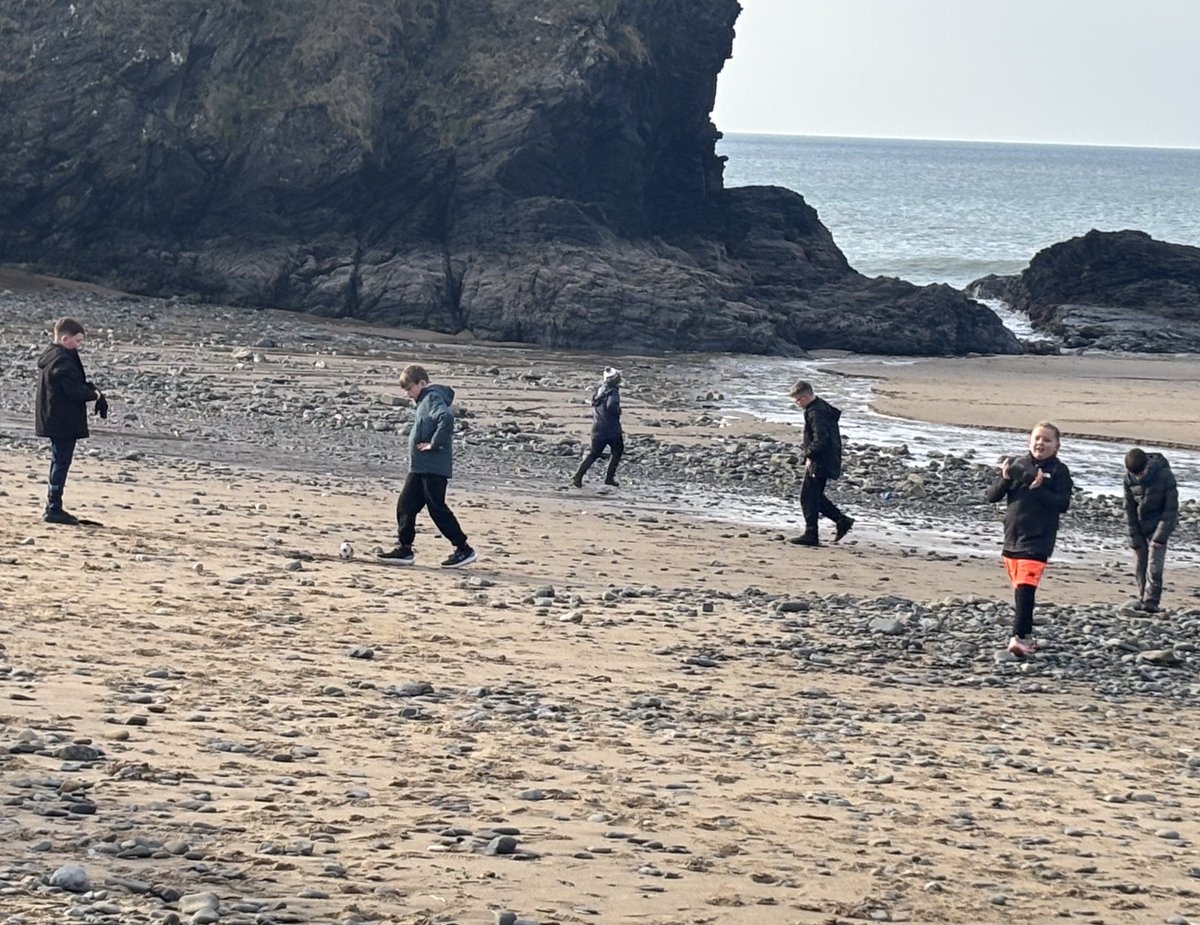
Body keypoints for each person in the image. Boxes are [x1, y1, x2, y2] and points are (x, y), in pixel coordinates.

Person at [985, 422, 1073, 656]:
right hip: (1012, 537)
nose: (1040, 443)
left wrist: (1039, 487)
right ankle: (1027, 635)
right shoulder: (1017, 465)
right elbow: (992, 497)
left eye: (1047, 440)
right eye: (1037, 438)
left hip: (1038, 539)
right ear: (1029, 441)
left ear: (1056, 446)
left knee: (1026, 588)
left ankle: (1019, 637)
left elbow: (1062, 504)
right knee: (1020, 589)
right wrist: (1005, 477)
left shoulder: (1059, 471)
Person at [377, 364, 476, 568]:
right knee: (405, 505)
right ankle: (405, 549)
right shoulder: (424, 400)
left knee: (437, 508)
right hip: (420, 468)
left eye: (409, 389)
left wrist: (434, 443)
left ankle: (463, 549)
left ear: (421, 383)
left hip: (433, 468)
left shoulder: (431, 398)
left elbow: (446, 418)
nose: (408, 394)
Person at [35, 317, 107, 525]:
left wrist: (91, 390)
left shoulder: (53, 355)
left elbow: (72, 385)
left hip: (55, 417)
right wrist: (94, 395)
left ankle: (53, 505)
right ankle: (53, 507)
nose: (79, 345)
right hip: (61, 420)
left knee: (59, 459)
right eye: (77, 341)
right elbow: (73, 391)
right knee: (61, 461)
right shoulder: (61, 360)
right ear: (65, 339)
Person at [788, 379, 853, 547]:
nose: (797, 404)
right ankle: (841, 520)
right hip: (826, 458)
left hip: (821, 460)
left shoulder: (815, 412)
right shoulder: (819, 407)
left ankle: (812, 534)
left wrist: (809, 455)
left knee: (807, 497)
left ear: (805, 396)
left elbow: (821, 439)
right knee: (815, 496)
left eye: (797, 400)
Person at [1122, 447, 1178, 613]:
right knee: (1140, 563)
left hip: (1160, 523)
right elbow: (1129, 509)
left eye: (1142, 472)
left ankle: (1152, 601)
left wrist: (1159, 538)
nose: (1140, 476)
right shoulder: (1129, 478)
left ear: (1148, 464)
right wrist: (1133, 537)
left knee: (1155, 565)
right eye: (1136, 474)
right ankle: (1141, 596)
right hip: (1139, 525)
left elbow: (1171, 510)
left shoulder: (1165, 475)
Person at [572, 366, 623, 488]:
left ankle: (578, 476)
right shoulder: (613, 392)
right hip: (611, 429)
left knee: (594, 453)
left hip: (597, 428)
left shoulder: (600, 390)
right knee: (618, 450)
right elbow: (611, 406)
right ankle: (609, 478)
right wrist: (617, 411)